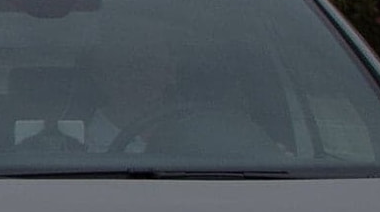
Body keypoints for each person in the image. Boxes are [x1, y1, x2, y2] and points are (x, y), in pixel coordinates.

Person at [19, 25, 268, 155]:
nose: (141, 75)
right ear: (100, 76)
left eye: (151, 63)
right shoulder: (74, 147)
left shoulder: (211, 138)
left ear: (170, 72)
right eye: (128, 65)